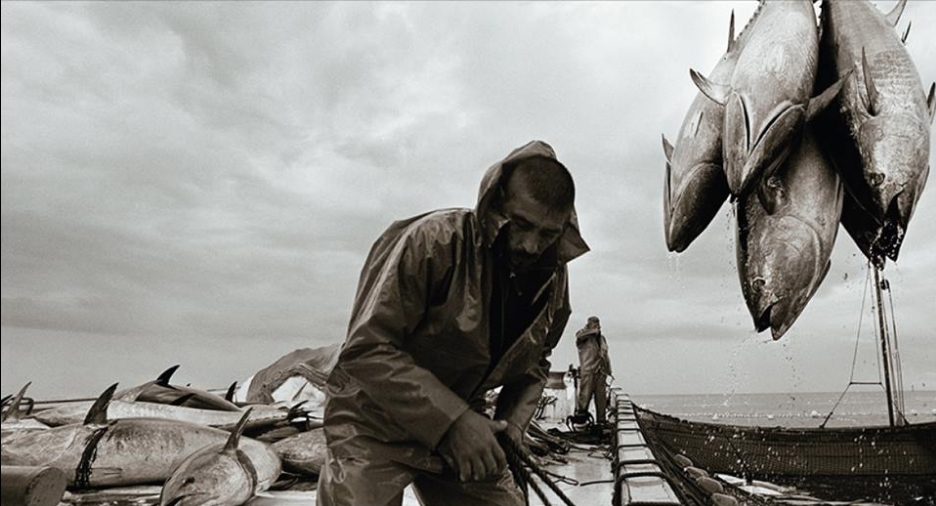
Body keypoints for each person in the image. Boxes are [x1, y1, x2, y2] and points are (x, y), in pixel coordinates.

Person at [317, 140, 589, 506]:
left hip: (466, 428)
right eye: (521, 225)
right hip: (372, 423)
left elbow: (536, 362)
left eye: (547, 234)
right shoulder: (432, 242)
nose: (530, 245)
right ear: (498, 204)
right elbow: (367, 350)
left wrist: (510, 428)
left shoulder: (552, 280)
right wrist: (452, 422)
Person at [574, 315, 612, 424]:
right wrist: (592, 331)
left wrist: (609, 370)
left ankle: (601, 422)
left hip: (601, 372)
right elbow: (578, 336)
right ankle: (580, 422)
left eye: (598, 324)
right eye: (595, 324)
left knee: (601, 400)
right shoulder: (583, 336)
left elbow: (605, 355)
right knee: (584, 398)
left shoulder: (602, 338)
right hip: (588, 372)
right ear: (589, 324)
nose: (598, 326)